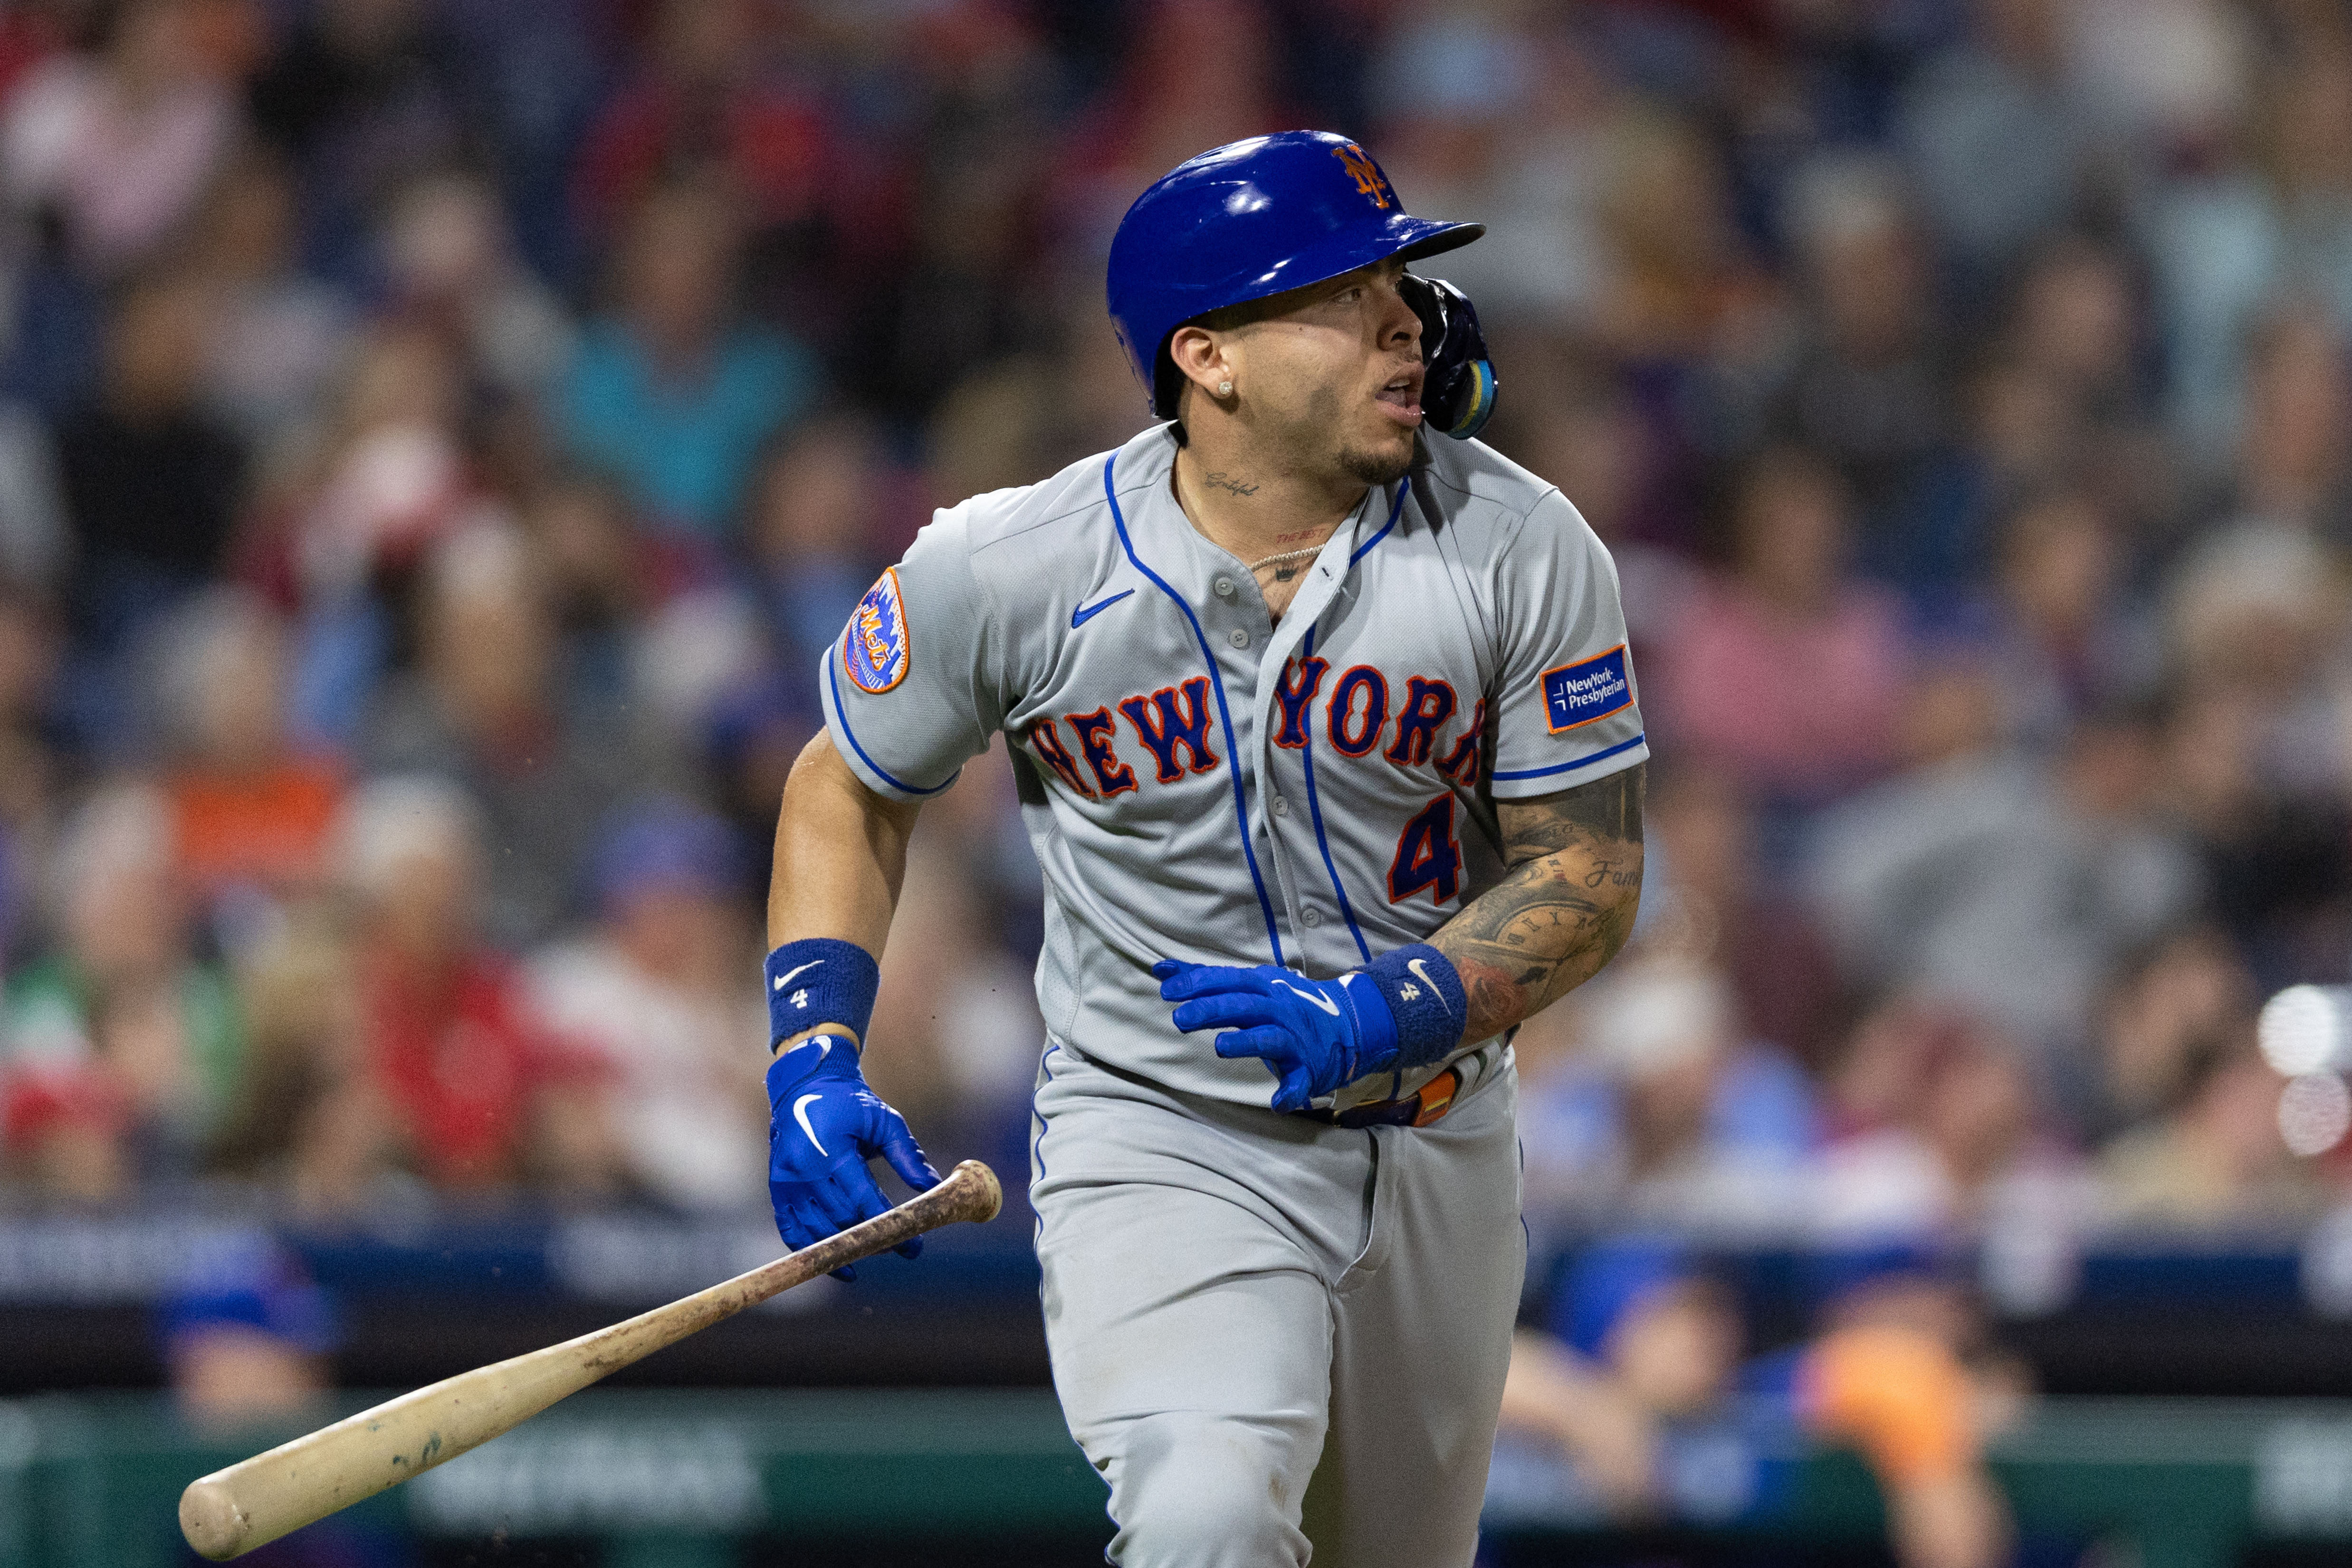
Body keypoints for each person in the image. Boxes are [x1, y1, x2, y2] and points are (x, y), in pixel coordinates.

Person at [757, 131, 1647, 1567]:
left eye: (1402, 288)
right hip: (1167, 1131)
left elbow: (1593, 872)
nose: (1403, 321)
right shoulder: (1016, 564)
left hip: (1439, 1143)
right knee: (1208, 1516)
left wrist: (1394, 1006)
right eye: (1345, 294)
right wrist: (811, 1049)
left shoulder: (1521, 546)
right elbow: (845, 784)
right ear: (1209, 357)